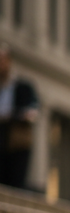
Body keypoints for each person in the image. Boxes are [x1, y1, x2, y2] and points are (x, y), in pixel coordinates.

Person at [0, 44, 40, 191]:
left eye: (3, 60)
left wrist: (19, 116)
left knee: (15, 182)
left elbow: (32, 109)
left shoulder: (22, 86)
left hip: (16, 138)